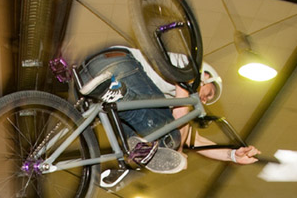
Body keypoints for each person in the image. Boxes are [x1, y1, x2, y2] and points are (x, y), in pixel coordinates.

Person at [79, 46, 259, 175]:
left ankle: (128, 163)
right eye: (208, 93)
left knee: (151, 136)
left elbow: (193, 140)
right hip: (117, 65)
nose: (204, 100)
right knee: (171, 138)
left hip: (87, 74)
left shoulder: (166, 91)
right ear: (205, 76)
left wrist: (232, 155)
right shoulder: (190, 70)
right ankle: (119, 94)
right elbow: (180, 117)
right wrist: (178, 153)